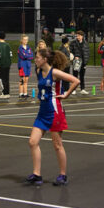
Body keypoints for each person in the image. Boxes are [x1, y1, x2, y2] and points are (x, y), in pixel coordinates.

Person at [26, 47, 80, 186]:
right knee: (33, 142)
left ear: (44, 59)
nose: (35, 59)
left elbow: (75, 81)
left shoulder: (54, 73)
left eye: (37, 57)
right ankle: (37, 174)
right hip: (42, 112)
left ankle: (63, 175)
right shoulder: (38, 71)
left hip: (55, 112)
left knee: (57, 145)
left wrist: (66, 94)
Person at [0, 32, 12, 98]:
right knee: (7, 79)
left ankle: (4, 93)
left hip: (1, 65)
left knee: (2, 79)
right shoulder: (8, 45)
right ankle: (7, 93)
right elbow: (10, 55)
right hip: (7, 65)